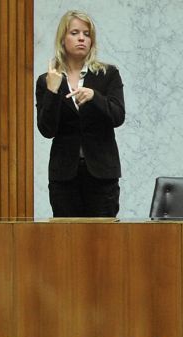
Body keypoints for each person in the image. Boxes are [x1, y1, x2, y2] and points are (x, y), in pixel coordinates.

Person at [36, 9, 125, 218]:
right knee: (67, 235)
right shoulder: (47, 80)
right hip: (64, 176)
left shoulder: (107, 74)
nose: (82, 38)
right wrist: (52, 91)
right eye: (74, 33)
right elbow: (47, 130)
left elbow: (118, 116)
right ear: (62, 39)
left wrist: (95, 97)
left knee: (103, 235)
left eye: (87, 34)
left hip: (102, 174)